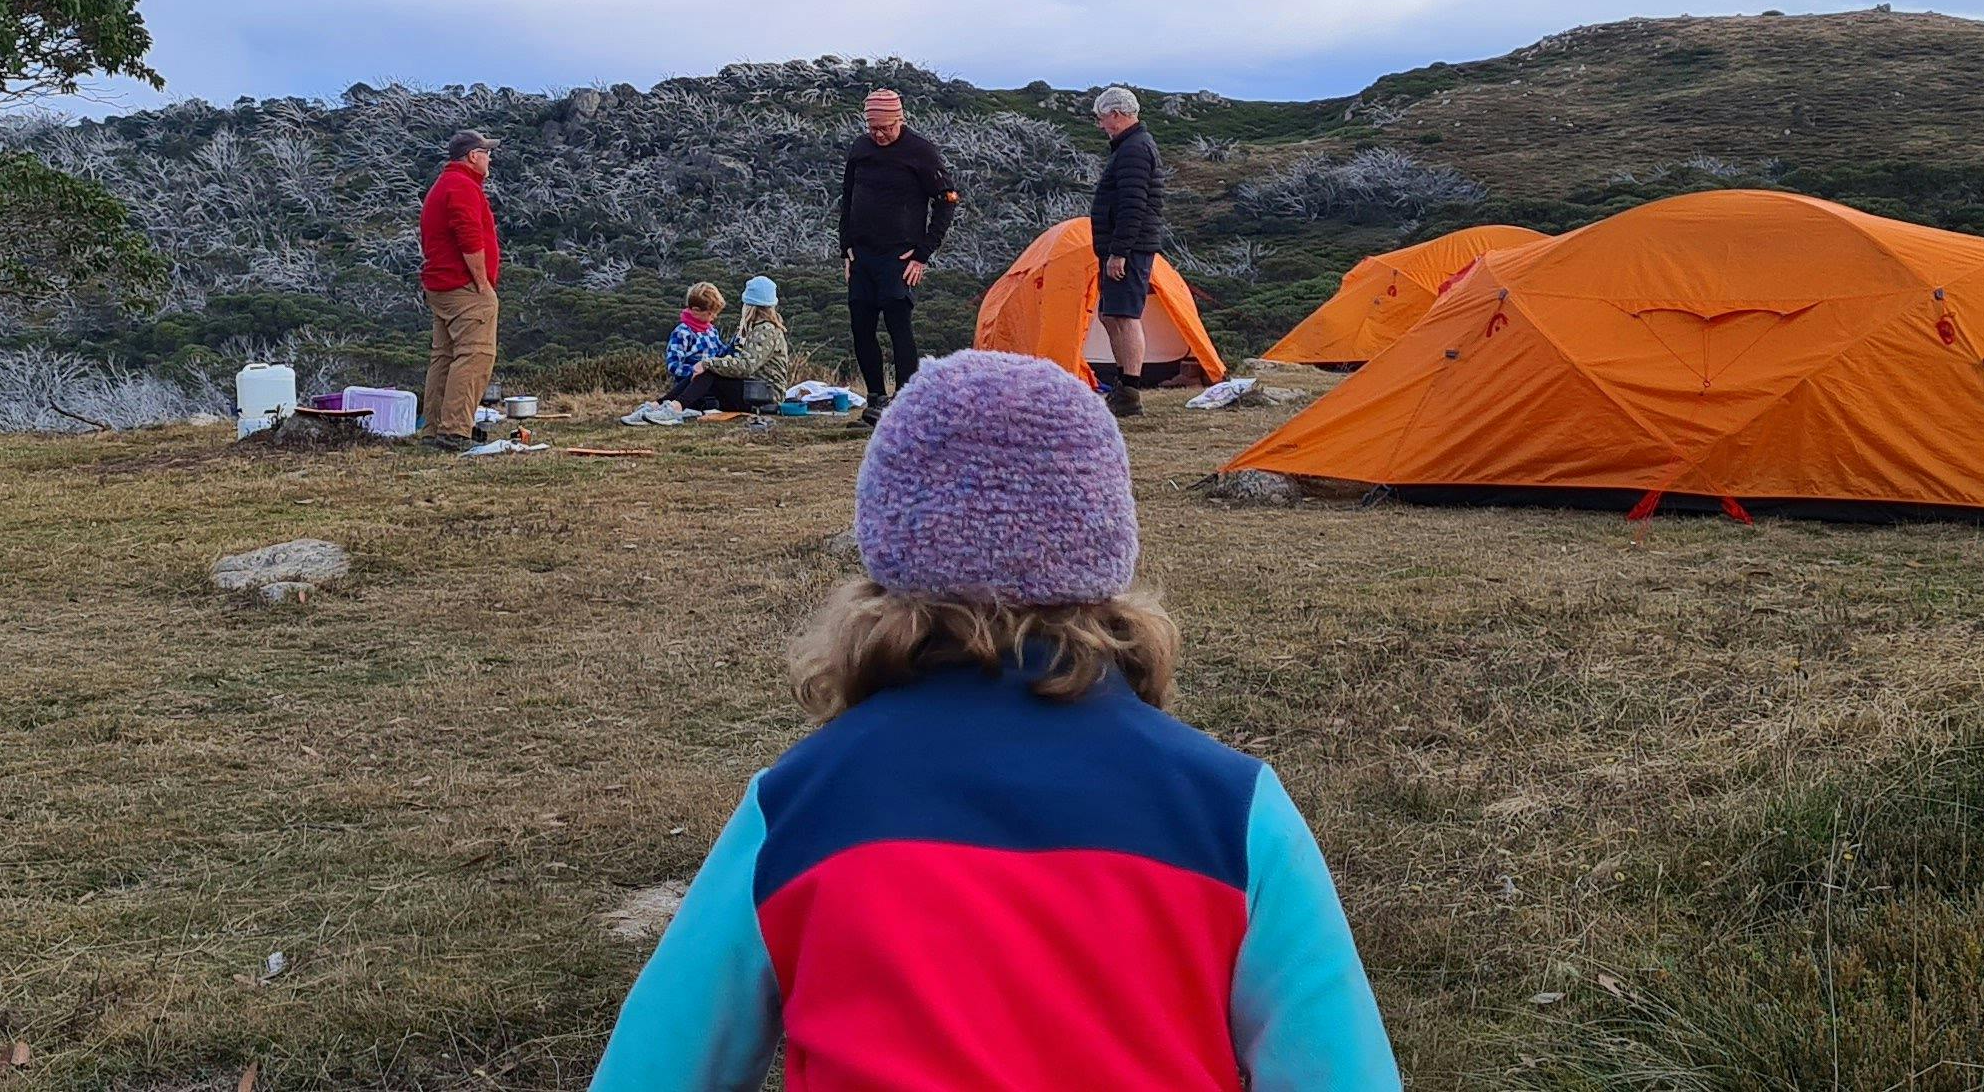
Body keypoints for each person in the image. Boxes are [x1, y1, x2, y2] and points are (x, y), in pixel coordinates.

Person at [586, 349, 1402, 1089]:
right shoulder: (1237, 811)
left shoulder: (795, 808)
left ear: (888, 550)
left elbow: (653, 1071)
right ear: (1106, 553)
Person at [835, 86, 960, 423]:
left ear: (899, 120)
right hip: (861, 254)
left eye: (885, 128)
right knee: (861, 326)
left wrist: (923, 254)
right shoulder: (860, 149)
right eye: (873, 128)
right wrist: (845, 247)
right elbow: (847, 197)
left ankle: (906, 399)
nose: (879, 135)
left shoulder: (920, 151)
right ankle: (875, 397)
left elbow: (947, 200)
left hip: (900, 257)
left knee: (897, 324)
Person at [418, 130, 504, 443]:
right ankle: (454, 430)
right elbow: (469, 238)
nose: (490, 157)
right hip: (463, 287)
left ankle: (436, 428)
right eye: (486, 152)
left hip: (441, 285)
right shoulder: (463, 187)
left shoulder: (443, 186)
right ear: (472, 156)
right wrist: (482, 284)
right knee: (475, 354)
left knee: (445, 356)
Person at [1088, 84, 1165, 417]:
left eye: (1102, 119)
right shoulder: (1129, 147)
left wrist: (1119, 252)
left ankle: (1130, 392)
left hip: (1130, 249)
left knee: (1126, 316)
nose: (1101, 125)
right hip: (1121, 247)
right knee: (1110, 314)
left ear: (1116, 116)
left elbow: (1133, 206)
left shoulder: (1134, 149)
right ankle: (1123, 386)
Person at [678, 276, 796, 418]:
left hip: (764, 395)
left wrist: (708, 363)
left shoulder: (765, 330)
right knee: (706, 375)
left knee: (710, 372)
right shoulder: (760, 328)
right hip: (755, 389)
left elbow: (745, 366)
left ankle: (674, 407)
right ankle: (665, 404)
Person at [660, 282, 731, 409]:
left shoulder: (711, 331)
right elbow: (674, 365)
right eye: (710, 313)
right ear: (695, 310)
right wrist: (696, 371)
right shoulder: (682, 333)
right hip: (689, 388)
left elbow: (721, 352)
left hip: (711, 386)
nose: (714, 317)